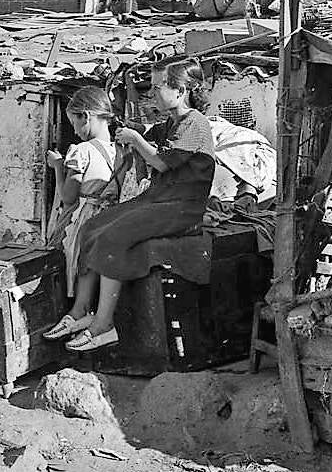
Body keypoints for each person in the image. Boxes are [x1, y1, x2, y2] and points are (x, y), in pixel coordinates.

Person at [43, 58, 215, 351]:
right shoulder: (168, 125)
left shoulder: (196, 124)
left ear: (181, 90)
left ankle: (104, 325)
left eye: (159, 86)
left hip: (181, 208)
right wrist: (131, 140)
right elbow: (146, 154)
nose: (152, 92)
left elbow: (160, 162)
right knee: (92, 227)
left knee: (113, 237)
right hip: (157, 201)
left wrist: (135, 139)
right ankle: (81, 310)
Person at [44, 86, 127, 301]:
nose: (75, 131)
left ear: (86, 117)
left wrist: (58, 167)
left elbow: (68, 197)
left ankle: (74, 312)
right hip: (112, 219)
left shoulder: (81, 151)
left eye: (74, 123)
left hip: (84, 221)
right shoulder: (121, 150)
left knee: (73, 268)